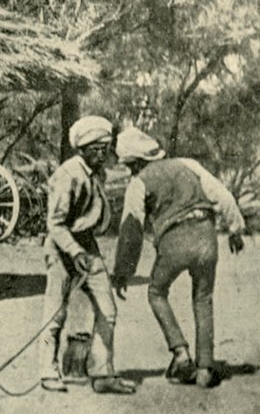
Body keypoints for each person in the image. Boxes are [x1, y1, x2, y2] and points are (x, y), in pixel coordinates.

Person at [109, 126, 246, 389]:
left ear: (135, 162)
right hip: (206, 236)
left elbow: (131, 231)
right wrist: (235, 229)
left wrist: (123, 270)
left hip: (174, 241)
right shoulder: (188, 164)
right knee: (203, 298)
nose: (129, 171)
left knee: (156, 293)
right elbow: (222, 195)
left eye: (128, 166)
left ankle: (181, 354)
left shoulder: (138, 183)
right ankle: (205, 368)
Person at [37, 115, 136, 395]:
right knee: (55, 312)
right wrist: (74, 251)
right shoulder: (68, 175)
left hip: (86, 246)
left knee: (108, 309)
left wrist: (84, 250)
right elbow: (55, 224)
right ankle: (47, 371)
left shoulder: (97, 174)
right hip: (62, 247)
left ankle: (103, 373)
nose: (103, 154)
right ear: (83, 149)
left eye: (105, 148)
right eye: (97, 149)